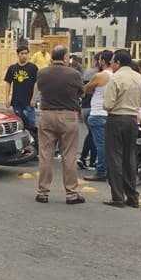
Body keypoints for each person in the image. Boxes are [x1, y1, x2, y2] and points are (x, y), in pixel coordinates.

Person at [32, 45, 85, 205]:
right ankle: (71, 194)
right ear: (64, 58)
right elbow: (81, 92)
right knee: (69, 155)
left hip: (47, 114)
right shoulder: (74, 74)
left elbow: (40, 88)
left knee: (46, 154)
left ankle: (43, 192)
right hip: (68, 115)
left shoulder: (42, 73)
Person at [103, 49, 141, 208]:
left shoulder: (116, 78)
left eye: (113, 62)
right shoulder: (138, 77)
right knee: (130, 158)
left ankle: (118, 197)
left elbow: (108, 104)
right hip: (132, 120)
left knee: (115, 158)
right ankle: (133, 196)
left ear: (118, 63)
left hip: (116, 119)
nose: (112, 65)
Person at [83, 50, 114, 182]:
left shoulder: (100, 75)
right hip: (110, 113)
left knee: (100, 144)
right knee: (109, 144)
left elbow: (87, 89)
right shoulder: (116, 76)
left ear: (102, 61)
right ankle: (108, 169)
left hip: (97, 112)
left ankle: (101, 171)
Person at [4, 45, 38, 131]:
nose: (24, 55)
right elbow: (8, 83)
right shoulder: (12, 68)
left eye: (26, 53)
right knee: (18, 124)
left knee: (31, 122)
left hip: (28, 101)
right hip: (16, 101)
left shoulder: (33, 68)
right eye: (22, 53)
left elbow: (36, 83)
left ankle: (34, 139)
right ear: (18, 54)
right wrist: (7, 98)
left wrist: (34, 98)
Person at [78, 53, 101, 169]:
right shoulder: (100, 74)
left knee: (91, 134)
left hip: (84, 107)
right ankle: (91, 160)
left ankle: (83, 158)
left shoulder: (87, 72)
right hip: (93, 107)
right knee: (95, 135)